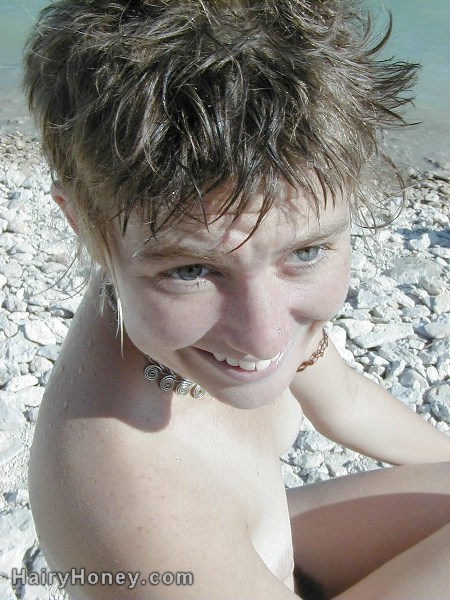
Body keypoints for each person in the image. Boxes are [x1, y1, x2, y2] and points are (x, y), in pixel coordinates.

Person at [23, 1, 450, 598]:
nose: (265, 337)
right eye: (191, 271)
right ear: (81, 222)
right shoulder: (130, 501)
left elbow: (346, 402)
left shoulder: (154, 241)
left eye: (306, 252)